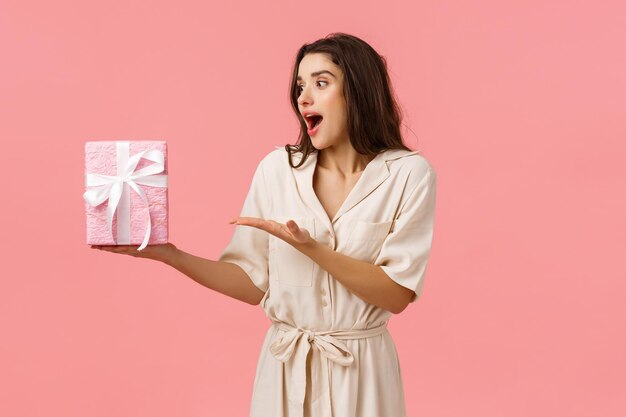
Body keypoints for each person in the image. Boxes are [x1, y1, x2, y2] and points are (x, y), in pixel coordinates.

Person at [92, 32, 437, 417]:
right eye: (299, 86)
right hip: (284, 369)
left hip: (364, 370)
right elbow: (252, 283)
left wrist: (311, 248)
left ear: (358, 91)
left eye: (321, 83)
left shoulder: (408, 174)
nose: (303, 97)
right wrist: (171, 256)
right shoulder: (277, 169)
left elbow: (395, 295)